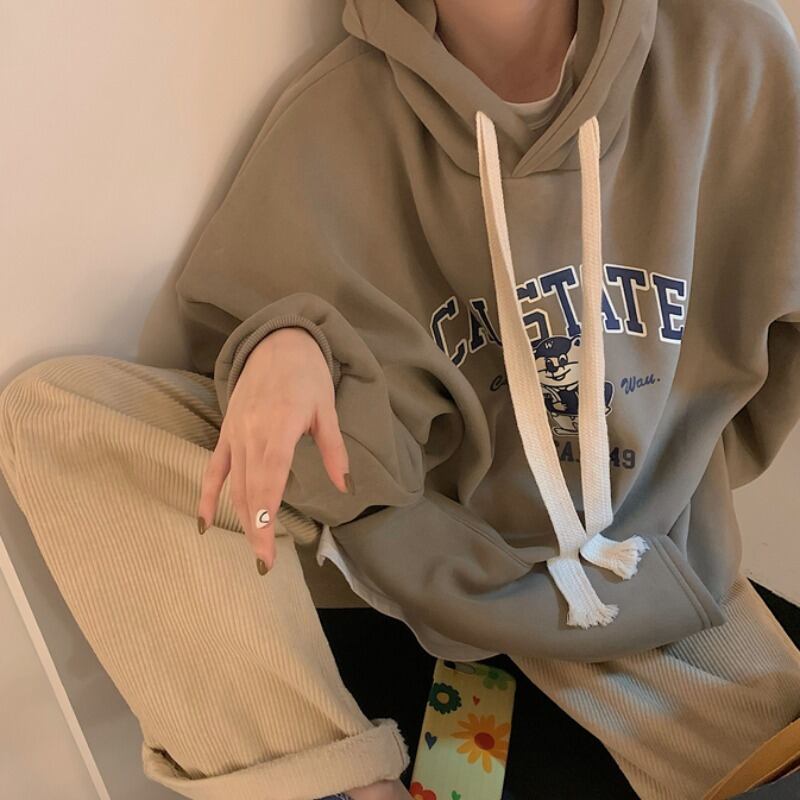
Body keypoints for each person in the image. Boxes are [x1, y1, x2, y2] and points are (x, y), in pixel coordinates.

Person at [1, 1, 800, 799]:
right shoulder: (336, 123)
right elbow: (338, 445)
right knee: (63, 418)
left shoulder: (729, 52)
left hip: (653, 568)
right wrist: (289, 341)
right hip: (438, 552)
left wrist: (674, 473)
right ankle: (342, 785)